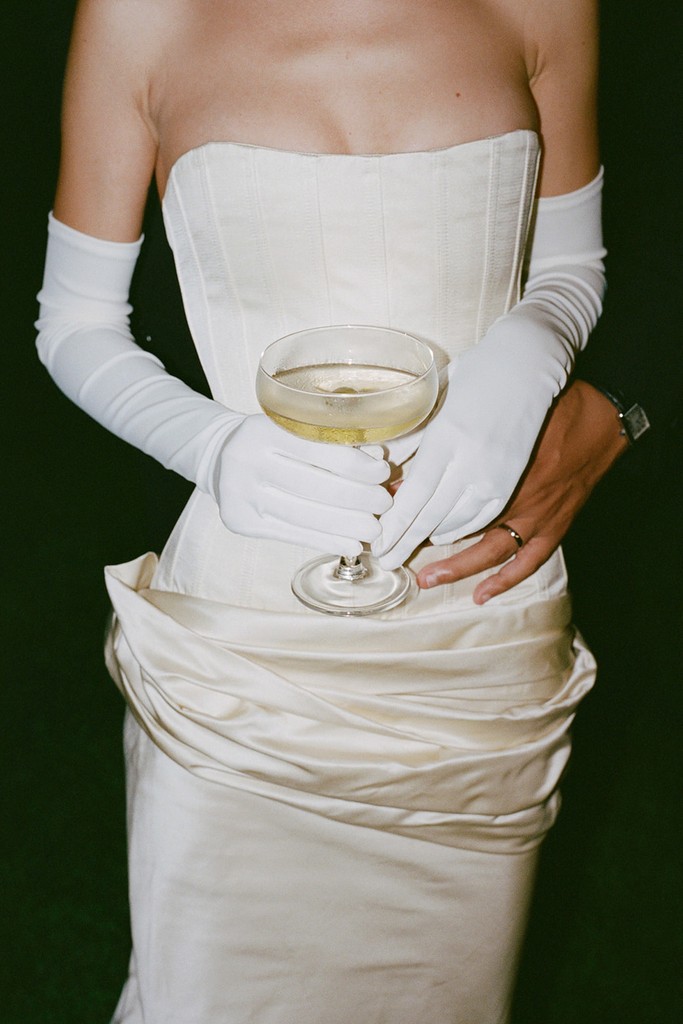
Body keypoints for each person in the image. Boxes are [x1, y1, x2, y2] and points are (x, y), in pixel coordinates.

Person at [36, 1, 606, 1021]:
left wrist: (534, 347)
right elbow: (74, 323)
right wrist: (211, 445)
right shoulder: (137, 16)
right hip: (247, 634)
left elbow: (571, 264)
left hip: (474, 622)